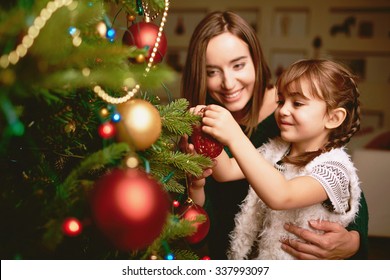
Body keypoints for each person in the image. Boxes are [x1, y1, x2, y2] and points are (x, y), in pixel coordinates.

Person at [180, 11, 368, 259]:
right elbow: (224, 173)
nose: (228, 82)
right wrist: (200, 146)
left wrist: (354, 240)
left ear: (256, 61)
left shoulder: (308, 136)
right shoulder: (278, 146)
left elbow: (348, 198)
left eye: (238, 65)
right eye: (212, 71)